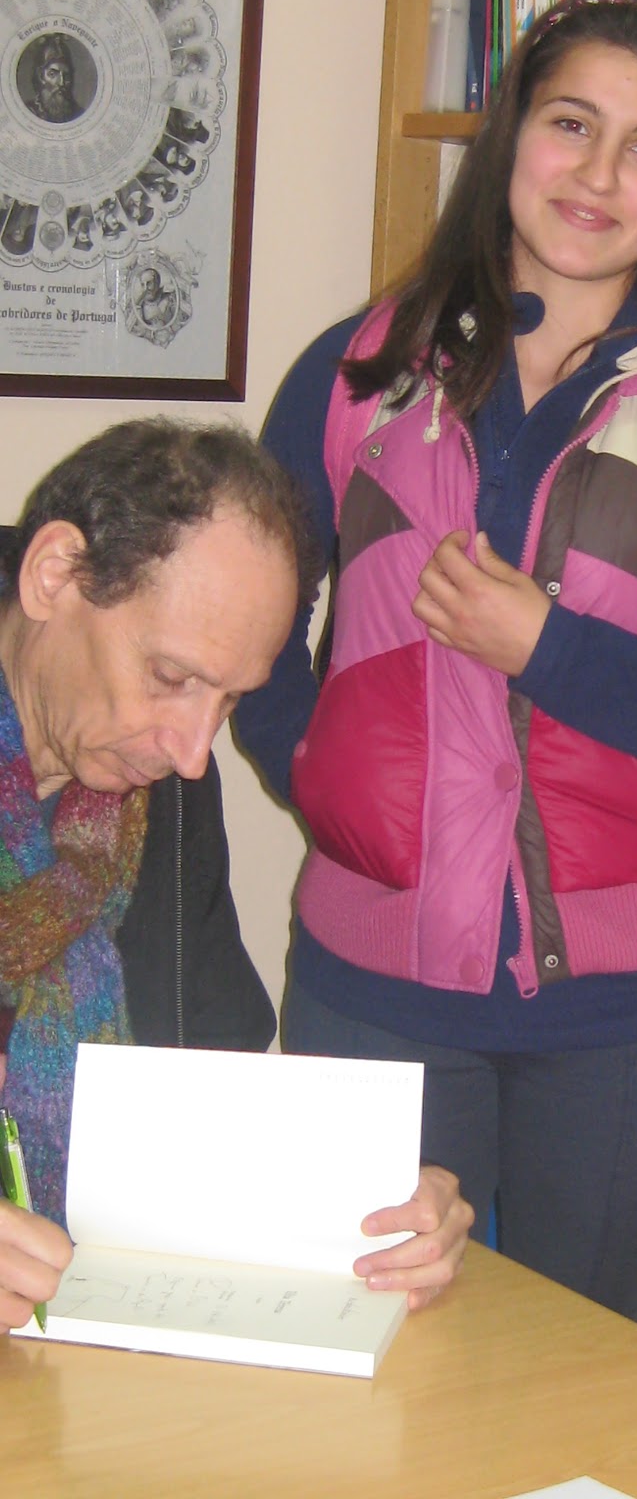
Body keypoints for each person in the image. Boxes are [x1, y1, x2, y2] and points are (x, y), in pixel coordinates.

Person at [236, 0, 637, 1324]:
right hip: (372, 996)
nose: (597, 176)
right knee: (373, 1364)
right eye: (571, 123)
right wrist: (321, 770)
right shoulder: (356, 374)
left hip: (627, 1024)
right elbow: (248, 627)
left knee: (579, 1382)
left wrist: (548, 649)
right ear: (512, 131)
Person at [0, 420, 473, 1335]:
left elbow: (215, 1089)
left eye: (227, 700)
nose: (191, 751)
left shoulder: (162, 793)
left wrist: (381, 1201)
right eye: (170, 676)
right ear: (54, 576)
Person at [25, 34, 82, 125]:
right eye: (53, 74)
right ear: (41, 76)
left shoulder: (79, 114)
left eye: (66, 76)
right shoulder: (28, 112)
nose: (61, 83)